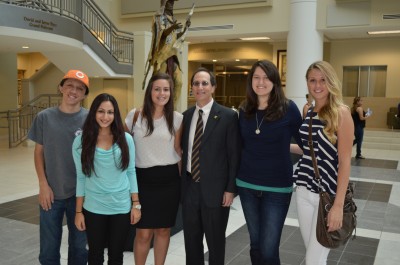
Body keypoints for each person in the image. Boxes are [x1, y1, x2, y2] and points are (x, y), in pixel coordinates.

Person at [236, 60, 303, 265]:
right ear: (250, 81)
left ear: (275, 81)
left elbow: (304, 145)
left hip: (277, 188)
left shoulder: (288, 108)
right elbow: (239, 145)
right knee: (255, 245)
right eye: (256, 77)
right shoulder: (244, 109)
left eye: (266, 77)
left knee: (268, 249)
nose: (261, 82)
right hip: (247, 185)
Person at [293, 61, 353, 265]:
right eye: (312, 80)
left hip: (326, 197)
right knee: (315, 257)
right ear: (307, 83)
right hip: (302, 190)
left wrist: (337, 206)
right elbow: (310, 150)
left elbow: (345, 162)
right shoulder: (308, 111)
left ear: (331, 82)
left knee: (313, 260)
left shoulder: (341, 113)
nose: (317, 85)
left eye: (322, 80)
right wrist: (280, 146)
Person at [28, 69, 89, 264]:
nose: (74, 90)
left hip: (81, 195)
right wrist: (43, 185)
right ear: (61, 87)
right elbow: (39, 152)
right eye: (70, 85)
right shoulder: (44, 117)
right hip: (51, 193)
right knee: (48, 249)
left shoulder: (90, 119)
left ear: (84, 94)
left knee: (80, 248)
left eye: (80, 88)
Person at [181, 67, 241, 265]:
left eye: (205, 83)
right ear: (192, 88)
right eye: (196, 84)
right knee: (191, 242)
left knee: (215, 243)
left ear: (213, 87)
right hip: (190, 188)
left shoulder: (228, 117)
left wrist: (230, 189)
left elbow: (234, 156)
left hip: (216, 192)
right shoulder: (186, 116)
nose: (200, 87)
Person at [73, 93, 141, 264]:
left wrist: (136, 205)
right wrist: (78, 212)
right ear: (94, 112)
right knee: (95, 255)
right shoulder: (81, 141)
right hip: (93, 207)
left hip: (120, 207)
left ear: (115, 114)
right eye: (101, 111)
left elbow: (131, 172)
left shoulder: (126, 140)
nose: (105, 117)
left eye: (110, 112)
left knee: (116, 256)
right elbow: (81, 177)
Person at [124, 73, 183, 265]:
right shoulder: (135, 116)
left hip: (169, 181)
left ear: (171, 93)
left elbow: (178, 151)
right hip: (142, 180)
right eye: (157, 89)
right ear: (150, 91)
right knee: (142, 232)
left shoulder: (177, 119)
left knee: (163, 230)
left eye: (166, 89)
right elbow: (123, 147)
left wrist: (184, 183)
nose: (161, 93)